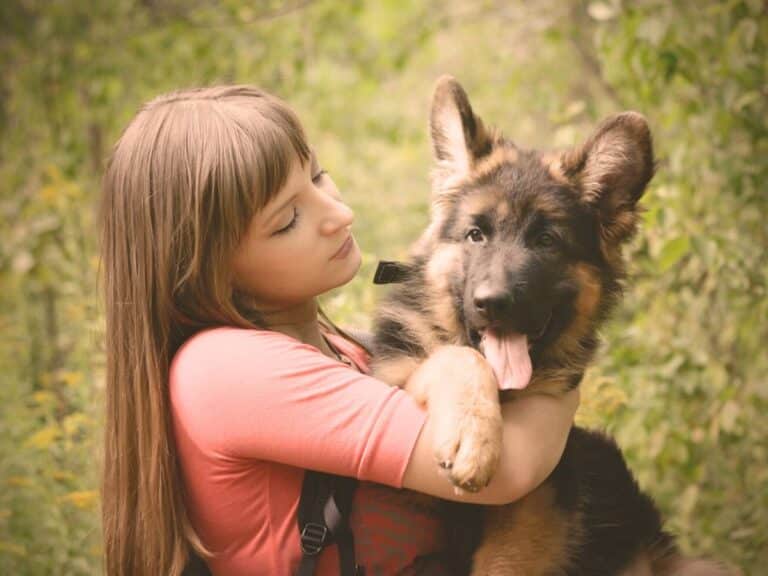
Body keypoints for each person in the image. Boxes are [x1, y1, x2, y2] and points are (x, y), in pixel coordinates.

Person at [99, 85, 579, 576]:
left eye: (318, 177)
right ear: (206, 268)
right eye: (288, 219)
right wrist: (563, 378)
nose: (339, 214)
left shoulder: (344, 349)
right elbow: (508, 469)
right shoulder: (224, 370)